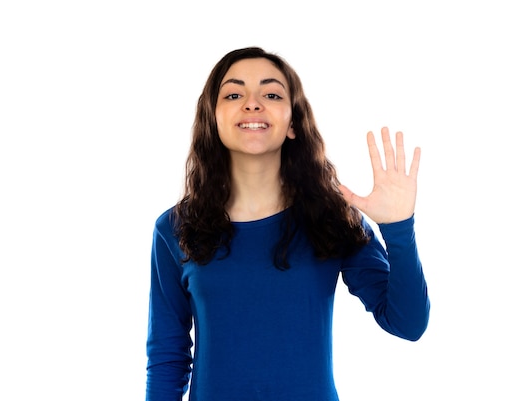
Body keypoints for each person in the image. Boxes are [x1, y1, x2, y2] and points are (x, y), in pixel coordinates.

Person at [145, 47, 430, 401]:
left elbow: (408, 324)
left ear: (293, 122)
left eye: (272, 94)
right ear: (213, 118)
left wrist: (399, 228)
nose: (252, 103)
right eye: (234, 94)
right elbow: (167, 358)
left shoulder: (332, 217)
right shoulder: (174, 229)